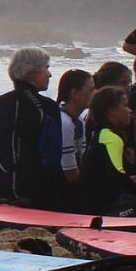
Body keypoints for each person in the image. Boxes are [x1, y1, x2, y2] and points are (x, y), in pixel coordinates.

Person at [0, 46, 63, 207]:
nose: (50, 74)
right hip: (35, 193)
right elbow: (53, 156)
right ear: (31, 72)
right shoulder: (47, 107)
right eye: (46, 68)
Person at [78, 85, 136, 215]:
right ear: (111, 110)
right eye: (125, 106)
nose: (130, 111)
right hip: (104, 210)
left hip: (89, 204)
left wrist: (129, 179)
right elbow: (117, 176)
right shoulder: (111, 138)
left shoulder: (98, 132)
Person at [55, 69, 93, 208]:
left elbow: (82, 158)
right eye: (90, 90)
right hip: (59, 185)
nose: (94, 94)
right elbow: (70, 172)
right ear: (74, 93)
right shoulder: (64, 122)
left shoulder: (79, 121)